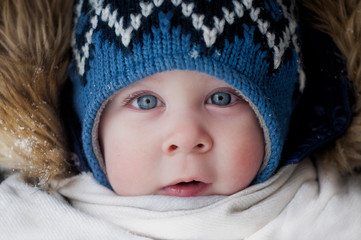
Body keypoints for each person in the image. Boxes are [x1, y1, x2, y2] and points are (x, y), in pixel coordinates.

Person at [1, 0, 361, 239]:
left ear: (278, 121)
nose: (186, 137)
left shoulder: (334, 216)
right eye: (145, 101)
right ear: (91, 126)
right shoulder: (25, 218)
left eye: (221, 99)